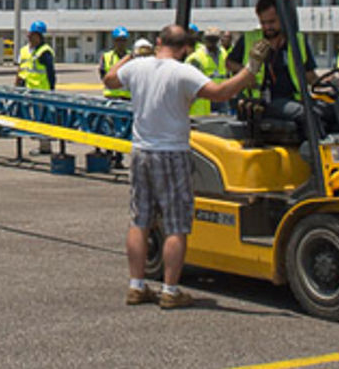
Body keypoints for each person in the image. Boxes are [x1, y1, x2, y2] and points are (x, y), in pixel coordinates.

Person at [105, 24, 266, 309]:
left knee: (139, 221)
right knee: (176, 224)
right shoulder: (182, 71)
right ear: (185, 49)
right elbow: (220, 92)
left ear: (158, 41)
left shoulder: (138, 67)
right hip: (172, 153)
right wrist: (251, 68)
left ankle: (136, 285)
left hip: (142, 152)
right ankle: (170, 289)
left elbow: (109, 80)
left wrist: (131, 56)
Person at [225, 0, 319, 125]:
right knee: (305, 115)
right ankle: (317, 144)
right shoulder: (249, 39)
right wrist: (245, 73)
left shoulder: (297, 40)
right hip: (262, 102)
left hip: (294, 98)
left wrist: (325, 85)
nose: (267, 27)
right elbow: (229, 63)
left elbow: (309, 74)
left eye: (272, 22)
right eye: (263, 22)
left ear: (283, 18)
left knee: (328, 111)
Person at [185, 25, 225, 117]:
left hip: (222, 97)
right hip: (205, 99)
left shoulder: (223, 53)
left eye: (214, 39)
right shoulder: (196, 57)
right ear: (204, 39)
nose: (212, 42)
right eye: (209, 39)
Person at [16, 21, 55, 91]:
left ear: (39, 36)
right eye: (29, 34)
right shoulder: (23, 50)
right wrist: (16, 86)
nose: (29, 36)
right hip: (25, 89)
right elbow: (20, 70)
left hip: (40, 91)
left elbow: (51, 73)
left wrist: (52, 90)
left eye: (32, 34)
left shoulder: (45, 52)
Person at [101, 27, 131, 100]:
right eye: (118, 40)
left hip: (127, 97)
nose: (121, 43)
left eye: (123, 40)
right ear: (114, 41)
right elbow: (103, 76)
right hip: (111, 96)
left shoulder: (132, 56)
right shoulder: (106, 56)